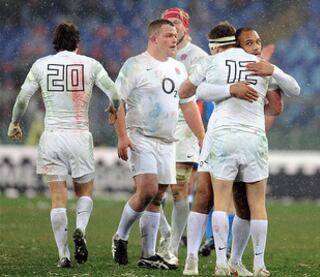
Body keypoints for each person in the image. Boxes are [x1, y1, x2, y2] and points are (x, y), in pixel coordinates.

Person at [180, 22, 300, 277]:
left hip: (220, 136)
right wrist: (271, 74)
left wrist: (227, 89)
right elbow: (280, 104)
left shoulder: (213, 62)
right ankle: (253, 263)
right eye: (252, 42)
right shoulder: (261, 66)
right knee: (250, 205)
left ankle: (218, 262)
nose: (256, 46)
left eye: (257, 42)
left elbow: (190, 91)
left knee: (209, 199)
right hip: (252, 138)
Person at [7, 22, 120, 268]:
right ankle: (80, 228)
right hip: (79, 135)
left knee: (58, 198)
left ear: (55, 43)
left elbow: (22, 99)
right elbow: (115, 93)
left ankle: (64, 255)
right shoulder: (90, 64)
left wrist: (14, 122)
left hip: (52, 137)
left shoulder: (41, 65)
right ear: (77, 43)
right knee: (84, 192)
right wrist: (114, 109)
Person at [110, 19, 204, 269]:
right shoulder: (135, 65)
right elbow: (115, 101)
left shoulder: (178, 69)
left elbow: (188, 105)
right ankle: (120, 236)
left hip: (167, 140)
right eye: (168, 35)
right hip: (140, 135)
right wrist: (122, 136)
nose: (175, 39)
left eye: (175, 35)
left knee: (158, 196)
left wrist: (203, 136)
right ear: (153, 38)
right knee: (148, 189)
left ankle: (147, 254)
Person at [154, 8, 209, 266]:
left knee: (179, 189)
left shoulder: (198, 56)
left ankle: (173, 248)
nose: (173, 28)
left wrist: (200, 133)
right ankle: (166, 234)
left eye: (176, 23)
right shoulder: (158, 54)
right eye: (168, 24)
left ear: (185, 26)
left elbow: (196, 91)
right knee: (148, 190)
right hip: (156, 126)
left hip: (184, 126)